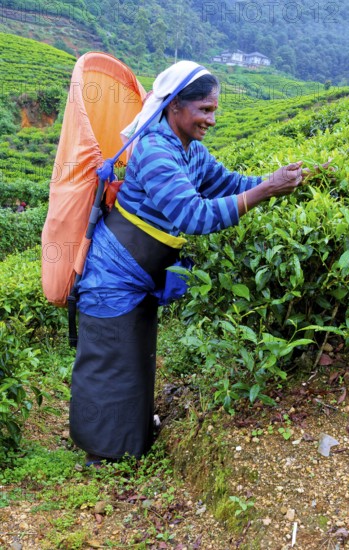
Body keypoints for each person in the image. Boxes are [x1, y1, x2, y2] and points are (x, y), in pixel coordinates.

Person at [69, 61, 325, 466]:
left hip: (139, 273)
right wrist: (265, 192)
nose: (212, 119)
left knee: (135, 356)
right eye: (204, 110)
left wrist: (281, 179)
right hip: (112, 273)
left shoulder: (193, 152)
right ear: (174, 106)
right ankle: (100, 453)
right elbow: (194, 216)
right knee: (109, 360)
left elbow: (235, 184)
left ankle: (129, 441)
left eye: (214, 110)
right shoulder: (154, 150)